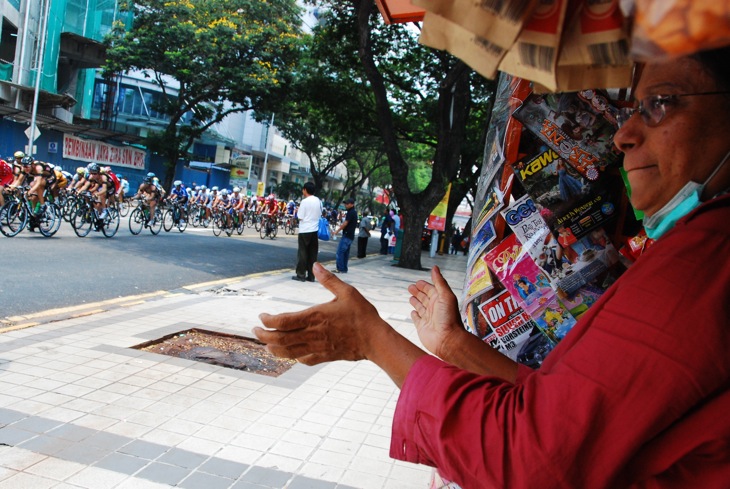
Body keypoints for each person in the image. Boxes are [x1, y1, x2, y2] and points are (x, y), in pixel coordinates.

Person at [253, 48, 730, 488]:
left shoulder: (706, 258)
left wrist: (371, 339)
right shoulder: (692, 247)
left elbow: (532, 455)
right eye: (631, 110)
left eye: (660, 104)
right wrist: (452, 344)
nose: (625, 135)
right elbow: (557, 406)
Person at [292, 182, 321, 282]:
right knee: (313, 254)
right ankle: (311, 276)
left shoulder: (305, 202)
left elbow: (300, 217)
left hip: (305, 230)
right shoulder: (318, 201)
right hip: (315, 230)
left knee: (303, 252)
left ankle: (301, 274)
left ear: (305, 190)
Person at [331, 198, 357, 273]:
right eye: (345, 203)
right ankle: (344, 268)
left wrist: (336, 231)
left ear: (352, 204)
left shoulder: (351, 212)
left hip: (347, 235)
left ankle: (340, 268)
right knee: (345, 253)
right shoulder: (352, 212)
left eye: (347, 204)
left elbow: (345, 223)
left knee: (340, 252)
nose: (346, 205)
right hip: (350, 235)